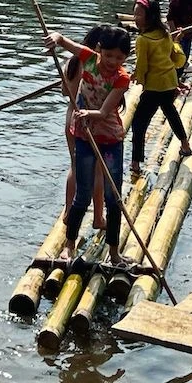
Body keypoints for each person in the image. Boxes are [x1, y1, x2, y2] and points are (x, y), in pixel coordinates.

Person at [44, 26, 134, 263]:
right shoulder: (88, 58)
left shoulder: (122, 78)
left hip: (110, 139)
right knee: (81, 196)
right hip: (84, 135)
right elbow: (64, 41)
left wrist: (86, 113)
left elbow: (105, 112)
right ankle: (69, 246)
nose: (112, 61)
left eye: (119, 57)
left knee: (113, 198)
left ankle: (114, 253)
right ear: (99, 50)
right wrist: (55, 38)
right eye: (109, 55)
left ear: (125, 58)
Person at [56, 25, 115, 230]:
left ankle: (67, 211)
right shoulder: (93, 66)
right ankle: (98, 217)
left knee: (74, 165)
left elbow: (65, 91)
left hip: (71, 116)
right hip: (90, 120)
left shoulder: (71, 63)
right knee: (98, 171)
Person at [130, 0, 192, 174]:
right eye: (134, 14)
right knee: (170, 111)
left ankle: (135, 163)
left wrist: (137, 78)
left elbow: (142, 64)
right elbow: (175, 58)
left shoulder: (143, 40)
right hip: (169, 83)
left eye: (139, 14)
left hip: (154, 87)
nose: (135, 17)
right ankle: (185, 144)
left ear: (149, 17)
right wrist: (177, 42)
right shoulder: (164, 34)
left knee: (139, 123)